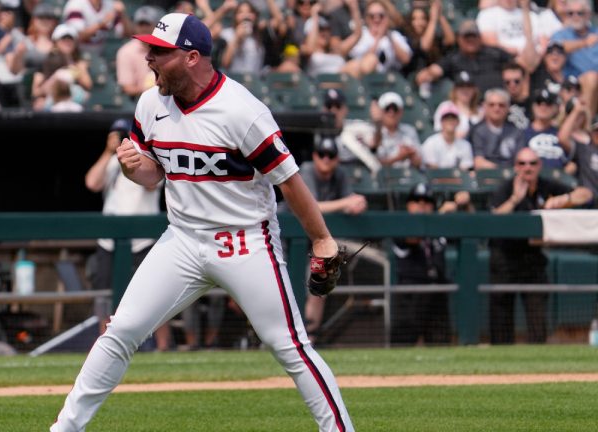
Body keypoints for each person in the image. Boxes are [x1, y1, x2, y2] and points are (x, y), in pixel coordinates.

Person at [51, 13, 355, 432]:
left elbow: (289, 181)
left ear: (192, 57)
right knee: (121, 329)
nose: (150, 58)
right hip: (182, 238)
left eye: (160, 52)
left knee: (289, 345)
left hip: (245, 241)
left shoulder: (242, 111)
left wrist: (321, 240)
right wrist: (130, 167)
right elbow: (154, 173)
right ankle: (64, 429)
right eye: (149, 49)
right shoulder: (150, 103)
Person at [488, 147, 593, 344]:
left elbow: (586, 194)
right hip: (504, 258)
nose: (527, 168)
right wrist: (514, 200)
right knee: (501, 318)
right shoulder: (505, 188)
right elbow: (494, 220)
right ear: (515, 166)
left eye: (532, 163)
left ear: (540, 166)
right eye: (522, 163)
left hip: (533, 259)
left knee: (537, 316)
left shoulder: (546, 185)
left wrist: (565, 199)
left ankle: (537, 356)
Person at [84, 118, 171, 349]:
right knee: (105, 297)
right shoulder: (111, 162)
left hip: (142, 241)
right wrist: (108, 152)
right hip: (109, 241)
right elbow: (92, 183)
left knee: (154, 296)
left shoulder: (146, 160)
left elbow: (151, 184)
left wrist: (130, 157)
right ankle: (105, 348)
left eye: (121, 135)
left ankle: (162, 349)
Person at [299, 136, 367, 344]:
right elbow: (312, 206)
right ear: (314, 156)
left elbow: (351, 203)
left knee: (317, 287)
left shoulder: (339, 174)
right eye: (322, 155)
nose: (326, 159)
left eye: (331, 156)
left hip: (316, 242)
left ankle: (308, 339)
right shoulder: (307, 170)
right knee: (283, 288)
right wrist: (347, 201)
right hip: (289, 239)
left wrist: (356, 203)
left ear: (337, 159)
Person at [390, 183, 451, 345]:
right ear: (409, 205)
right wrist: (437, 218)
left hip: (437, 291)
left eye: (427, 201)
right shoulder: (401, 225)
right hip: (411, 292)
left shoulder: (441, 226)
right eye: (417, 201)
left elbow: (468, 227)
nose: (422, 205)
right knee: (403, 346)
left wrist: (461, 207)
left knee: (440, 345)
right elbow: (413, 238)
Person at [415, 20, 537, 94]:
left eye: (473, 36)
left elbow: (523, 66)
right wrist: (429, 74)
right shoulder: (453, 59)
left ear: (480, 38)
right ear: (459, 39)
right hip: (471, 106)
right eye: (466, 37)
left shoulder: (494, 53)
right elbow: (426, 75)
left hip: (500, 102)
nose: (470, 40)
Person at [549, 0, 598, 120]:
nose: (575, 16)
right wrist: (584, 43)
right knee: (591, 78)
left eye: (579, 13)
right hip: (572, 84)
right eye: (571, 13)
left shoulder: (596, 32)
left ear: (588, 14)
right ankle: (585, 124)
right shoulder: (561, 34)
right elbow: (557, 47)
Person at [31, 24, 92, 111]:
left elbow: (88, 86)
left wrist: (77, 69)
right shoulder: (45, 62)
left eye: (70, 39)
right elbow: (36, 92)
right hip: (52, 105)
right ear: (55, 42)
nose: (67, 42)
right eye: (63, 39)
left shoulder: (80, 63)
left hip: (76, 106)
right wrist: (56, 78)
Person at [115, 5, 165, 99]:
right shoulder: (126, 51)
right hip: (138, 100)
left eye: (148, 24)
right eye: (140, 24)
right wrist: (151, 89)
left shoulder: (165, 48)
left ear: (157, 26)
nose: (144, 28)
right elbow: (128, 88)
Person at [469, 88, 525, 169]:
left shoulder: (516, 132)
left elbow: (521, 161)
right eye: (492, 105)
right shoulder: (477, 131)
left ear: (508, 107)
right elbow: (478, 162)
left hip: (511, 177)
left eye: (501, 105)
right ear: (485, 106)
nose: (496, 109)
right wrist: (501, 171)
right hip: (485, 177)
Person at [558, 97, 598, 205]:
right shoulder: (583, 148)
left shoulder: (588, 143)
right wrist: (576, 111)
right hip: (587, 200)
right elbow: (563, 138)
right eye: (596, 131)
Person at [523, 88, 572, 170]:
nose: (543, 107)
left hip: (559, 179)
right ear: (533, 106)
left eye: (548, 103)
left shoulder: (562, 134)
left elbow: (572, 162)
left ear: (556, 108)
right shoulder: (523, 133)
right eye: (539, 102)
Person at [371, 92, 421, 168]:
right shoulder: (374, 132)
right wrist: (398, 158)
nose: (391, 113)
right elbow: (372, 165)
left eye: (395, 109)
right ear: (381, 111)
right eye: (387, 109)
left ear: (401, 112)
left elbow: (419, 163)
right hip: (383, 178)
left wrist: (411, 155)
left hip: (408, 177)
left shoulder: (409, 131)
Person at [431, 71, 483, 139]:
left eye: (469, 86)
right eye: (461, 86)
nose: (465, 90)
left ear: (474, 90)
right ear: (455, 89)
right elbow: (438, 131)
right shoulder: (445, 106)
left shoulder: (480, 111)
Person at [422, 104, 474, 170]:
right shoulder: (430, 143)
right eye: (446, 118)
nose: (450, 121)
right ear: (441, 121)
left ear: (458, 122)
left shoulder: (465, 145)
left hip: (458, 179)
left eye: (453, 118)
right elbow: (432, 170)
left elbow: (465, 171)